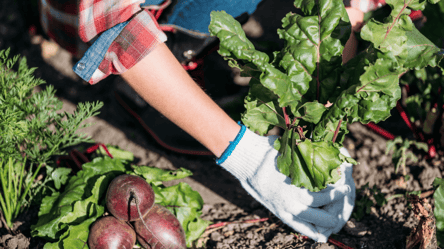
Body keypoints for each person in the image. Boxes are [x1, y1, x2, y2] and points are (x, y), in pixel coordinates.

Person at [38, 0, 384, 242]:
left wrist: (325, 131)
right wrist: (247, 156)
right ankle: (152, 77)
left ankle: (185, 43)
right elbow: (113, 21)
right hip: (87, 18)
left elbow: (349, 10)